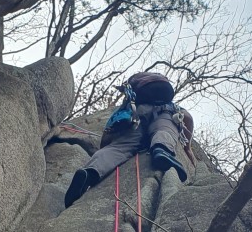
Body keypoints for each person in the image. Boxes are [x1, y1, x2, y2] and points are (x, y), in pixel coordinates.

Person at [65, 72, 194, 207]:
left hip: (135, 115)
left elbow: (110, 127)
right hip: (165, 113)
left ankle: (90, 172)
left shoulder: (131, 103)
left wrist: (106, 146)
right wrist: (188, 147)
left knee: (118, 148)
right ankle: (162, 149)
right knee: (164, 130)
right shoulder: (171, 105)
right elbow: (187, 117)